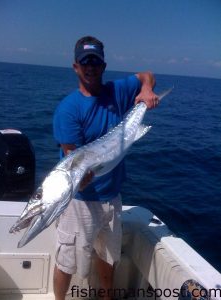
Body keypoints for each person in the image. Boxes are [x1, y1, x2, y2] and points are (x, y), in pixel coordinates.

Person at [53, 36, 159, 300]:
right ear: (75, 66)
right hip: (80, 201)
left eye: (96, 62)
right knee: (67, 261)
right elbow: (72, 159)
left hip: (112, 197)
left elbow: (146, 75)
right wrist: (81, 179)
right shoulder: (68, 109)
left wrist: (146, 90)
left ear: (104, 66)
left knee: (108, 256)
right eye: (85, 62)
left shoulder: (117, 91)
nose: (91, 67)